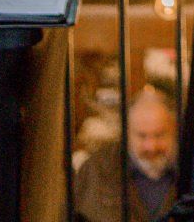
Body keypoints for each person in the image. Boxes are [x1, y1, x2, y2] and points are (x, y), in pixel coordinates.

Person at [73, 84, 181, 222]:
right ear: (127, 133)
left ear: (174, 130)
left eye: (159, 135)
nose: (151, 147)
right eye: (142, 136)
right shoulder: (96, 170)